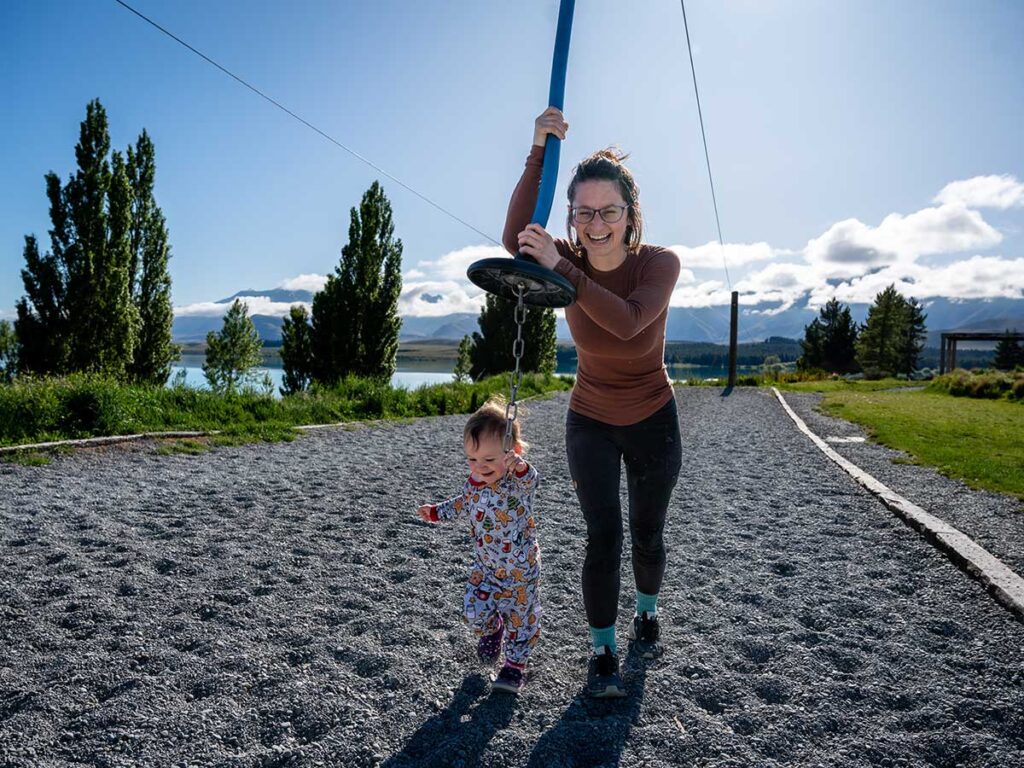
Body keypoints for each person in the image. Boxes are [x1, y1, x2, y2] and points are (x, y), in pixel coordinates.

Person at [502, 107, 682, 699]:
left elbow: (630, 324)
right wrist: (538, 149)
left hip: (653, 416)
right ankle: (602, 649)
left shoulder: (658, 263)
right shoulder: (565, 260)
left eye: (609, 211)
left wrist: (561, 268)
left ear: (630, 214)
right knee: (603, 536)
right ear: (573, 218)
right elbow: (515, 239)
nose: (597, 223)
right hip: (591, 419)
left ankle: (647, 611)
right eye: (585, 213)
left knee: (648, 534)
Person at [416, 398, 542, 695]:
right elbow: (461, 503)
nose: (480, 468)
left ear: (513, 454)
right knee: (473, 611)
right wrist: (436, 512)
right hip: (485, 568)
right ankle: (491, 629)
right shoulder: (473, 483)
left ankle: (513, 667)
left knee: (521, 621)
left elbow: (532, 479)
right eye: (472, 460)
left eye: (488, 460)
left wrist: (520, 468)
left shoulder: (516, 482)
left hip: (521, 571)